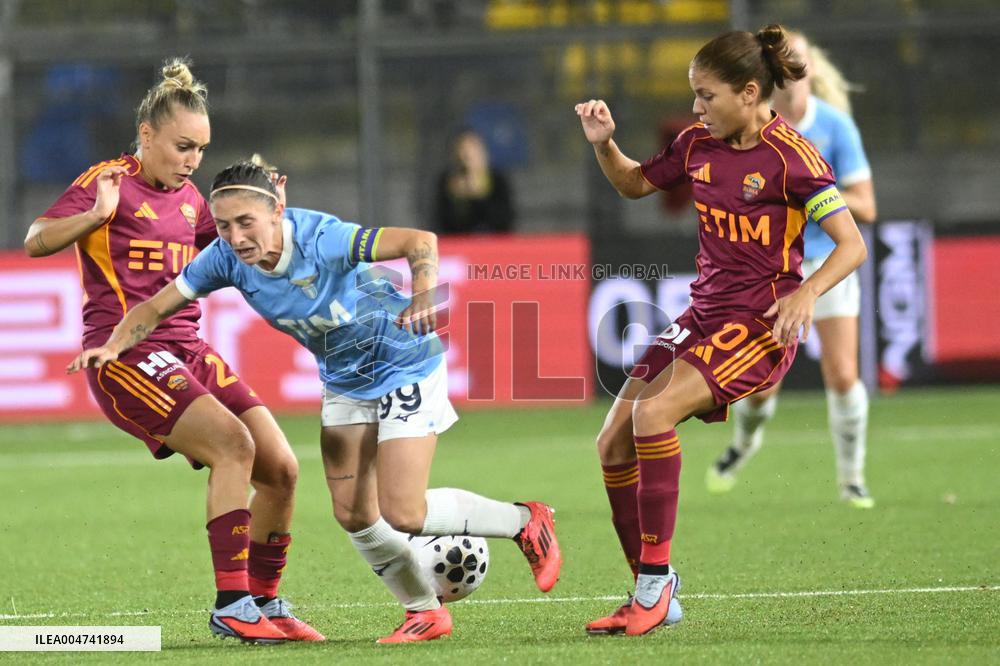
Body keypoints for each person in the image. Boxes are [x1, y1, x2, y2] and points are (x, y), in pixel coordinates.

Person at [68, 156, 563, 644]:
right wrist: (113, 346)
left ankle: (525, 521)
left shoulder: (323, 238)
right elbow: (155, 307)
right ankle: (424, 611)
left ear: (276, 210)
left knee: (403, 512)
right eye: (223, 225)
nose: (235, 237)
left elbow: (419, 241)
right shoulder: (224, 258)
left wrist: (423, 294)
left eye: (246, 222)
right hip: (345, 380)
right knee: (353, 514)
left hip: (402, 362)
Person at [575, 23, 867, 636]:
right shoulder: (695, 145)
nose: (696, 106)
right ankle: (653, 590)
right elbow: (634, 184)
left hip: (759, 325)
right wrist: (605, 145)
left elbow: (851, 245)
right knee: (611, 443)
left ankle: (654, 587)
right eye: (695, 94)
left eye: (706, 95)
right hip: (702, 316)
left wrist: (806, 293)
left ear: (748, 92)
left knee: (652, 414)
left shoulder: (793, 159)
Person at [28, 58, 322, 644]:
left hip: (189, 347)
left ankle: (265, 601)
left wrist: (269, 223)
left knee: (282, 471)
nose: (192, 160)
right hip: (126, 356)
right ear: (147, 134)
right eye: (183, 146)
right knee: (234, 446)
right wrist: (96, 215)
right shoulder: (109, 180)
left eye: (201, 150)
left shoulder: (191, 200)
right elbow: (36, 238)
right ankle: (232, 606)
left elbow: (241, 257)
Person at [705, 32, 878, 508]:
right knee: (761, 387)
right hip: (775, 267)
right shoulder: (754, 128)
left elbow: (867, 206)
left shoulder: (835, 127)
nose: (790, 70)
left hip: (827, 262)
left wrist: (815, 190)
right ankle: (744, 444)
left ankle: (852, 479)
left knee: (842, 374)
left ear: (810, 69)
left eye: (796, 60)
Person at [432, 128, 515, 234]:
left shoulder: (498, 179)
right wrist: (458, 199)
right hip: (459, 240)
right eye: (463, 151)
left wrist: (479, 195)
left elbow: (505, 220)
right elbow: (443, 222)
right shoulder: (448, 181)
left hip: (493, 239)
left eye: (473, 150)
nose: (467, 156)